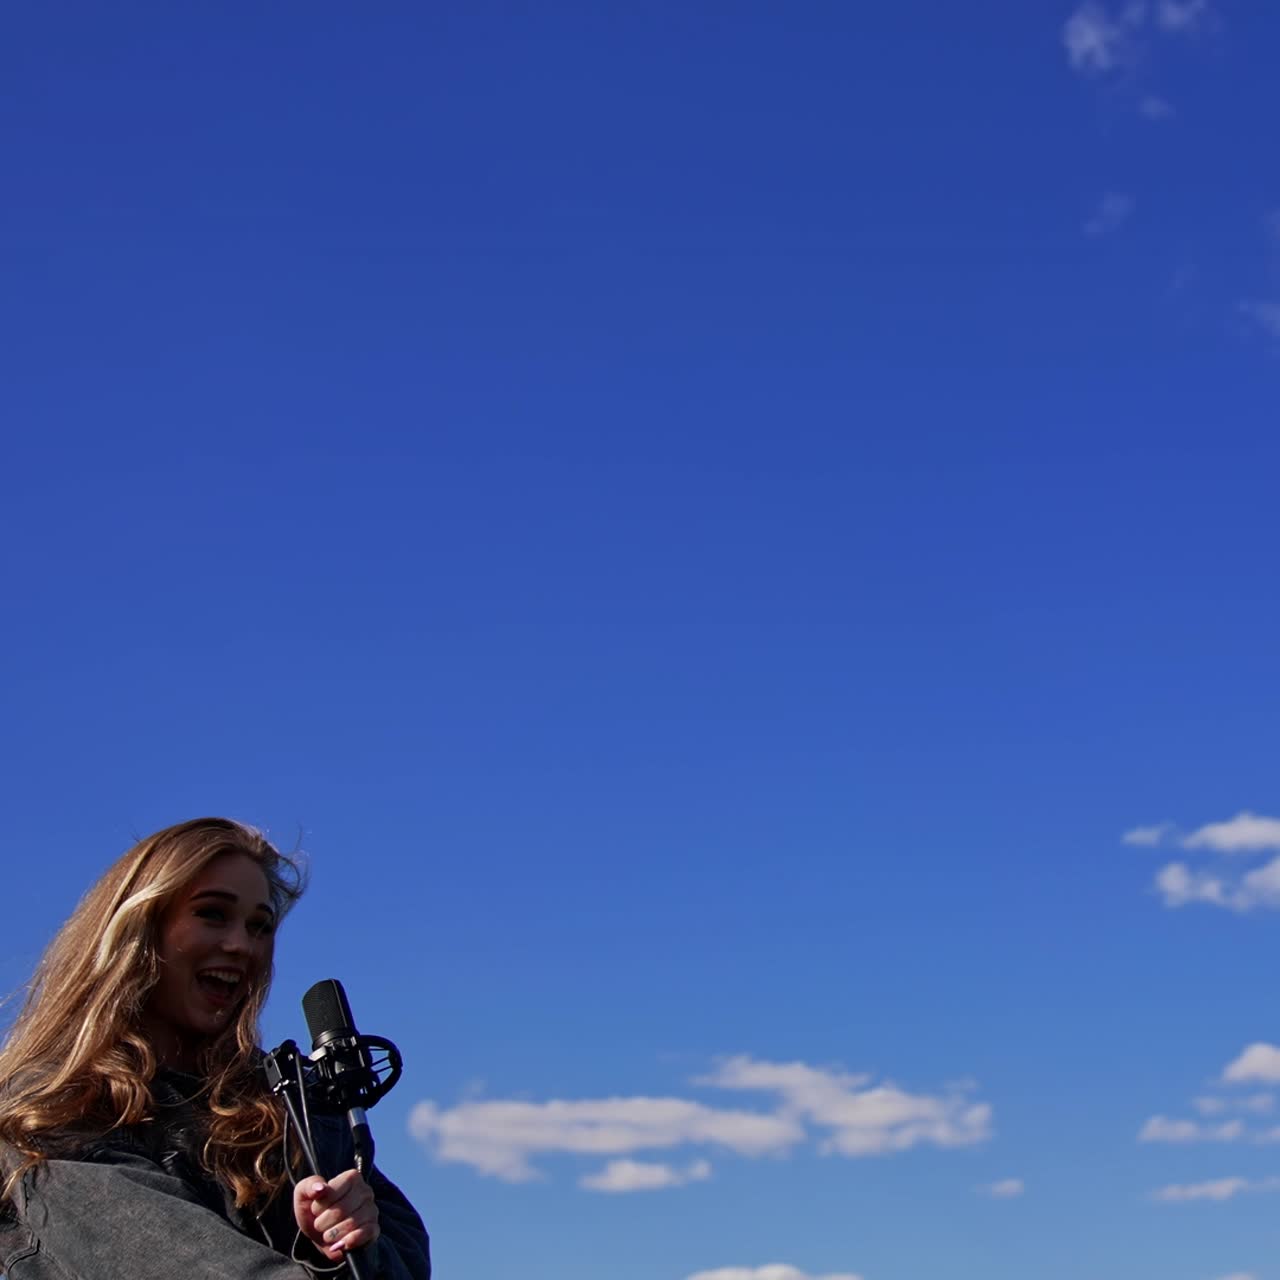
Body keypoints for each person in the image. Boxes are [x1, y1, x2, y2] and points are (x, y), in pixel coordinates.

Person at [0, 818, 431, 1279]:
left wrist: (347, 1239)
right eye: (212, 914)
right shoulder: (50, 1114)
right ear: (141, 927)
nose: (241, 945)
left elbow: (406, 1255)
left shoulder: (293, 1107)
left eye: (260, 926)